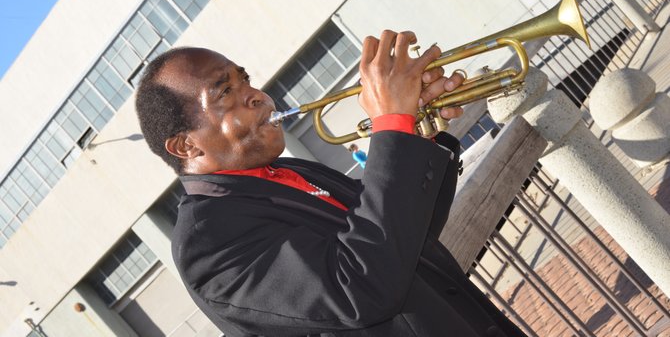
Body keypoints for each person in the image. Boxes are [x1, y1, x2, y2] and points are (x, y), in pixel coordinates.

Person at [135, 30, 527, 337]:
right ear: (185, 145)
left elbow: (407, 235)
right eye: (225, 92)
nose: (256, 95)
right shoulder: (208, 243)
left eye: (246, 81)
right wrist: (391, 125)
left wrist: (415, 133)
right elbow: (359, 289)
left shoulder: (298, 174)